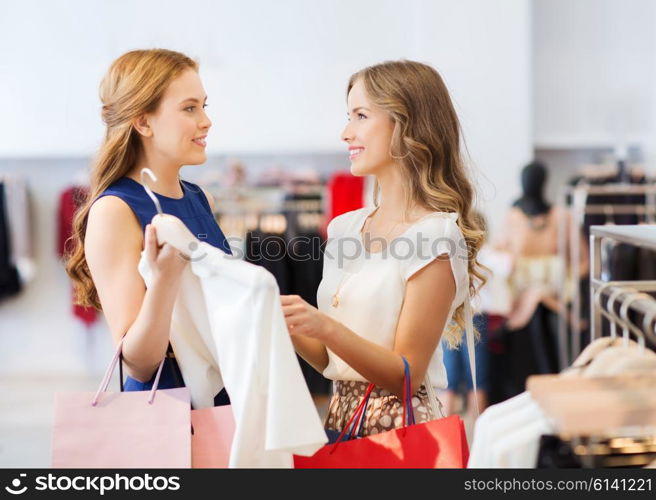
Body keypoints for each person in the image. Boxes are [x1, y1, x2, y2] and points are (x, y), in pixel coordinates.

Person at [280, 60, 486, 436]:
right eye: (349, 116)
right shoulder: (346, 228)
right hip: (340, 424)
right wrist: (286, 322)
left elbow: (406, 375)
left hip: (400, 433)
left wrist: (323, 326)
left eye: (360, 115)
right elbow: (331, 360)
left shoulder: (435, 237)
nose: (346, 133)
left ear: (406, 125)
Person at [66, 49, 231, 405]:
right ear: (143, 122)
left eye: (204, 106)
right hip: (169, 417)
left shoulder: (202, 200)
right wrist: (164, 281)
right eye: (190, 108)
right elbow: (138, 364)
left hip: (226, 403)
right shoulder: (115, 210)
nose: (206, 121)